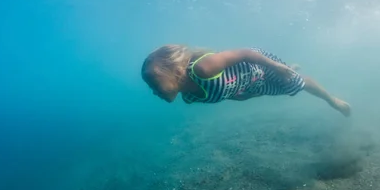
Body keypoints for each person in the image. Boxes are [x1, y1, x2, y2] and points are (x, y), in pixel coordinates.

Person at [141, 44, 351, 116]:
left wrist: (273, 65)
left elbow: (244, 53)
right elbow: (224, 93)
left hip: (257, 66)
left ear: (176, 73)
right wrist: (244, 96)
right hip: (252, 84)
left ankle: (332, 100)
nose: (153, 91)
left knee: (296, 83)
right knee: (286, 89)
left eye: (154, 84)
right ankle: (290, 69)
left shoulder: (203, 68)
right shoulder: (189, 95)